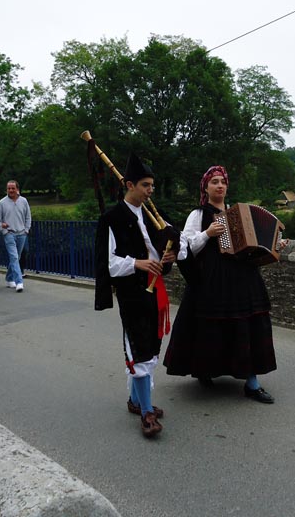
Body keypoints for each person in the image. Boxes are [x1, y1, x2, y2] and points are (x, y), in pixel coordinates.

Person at [163, 165, 285, 404]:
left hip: (243, 277)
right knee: (212, 327)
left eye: (223, 182)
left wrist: (274, 246)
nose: (220, 185)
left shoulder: (238, 213)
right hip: (213, 279)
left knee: (250, 325)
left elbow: (252, 247)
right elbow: (185, 248)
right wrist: (207, 233)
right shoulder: (198, 214)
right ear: (205, 187)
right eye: (214, 182)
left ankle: (252, 383)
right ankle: (206, 370)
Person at [94, 153, 185, 438]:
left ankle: (135, 400)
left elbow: (169, 248)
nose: (150, 191)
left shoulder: (152, 215)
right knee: (139, 348)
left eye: (152, 186)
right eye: (145, 185)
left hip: (154, 290)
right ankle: (146, 412)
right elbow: (108, 264)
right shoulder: (112, 218)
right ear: (129, 185)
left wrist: (168, 256)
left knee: (151, 346)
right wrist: (138, 263)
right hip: (131, 292)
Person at [0, 180, 32, 292]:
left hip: (22, 233)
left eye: (13, 188)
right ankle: (19, 281)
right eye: (9, 188)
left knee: (17, 257)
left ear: (17, 189)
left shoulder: (24, 201)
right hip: (9, 233)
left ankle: (9, 278)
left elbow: (28, 217)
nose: (10, 190)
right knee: (14, 257)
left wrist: (26, 230)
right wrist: (3, 230)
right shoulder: (2, 203)